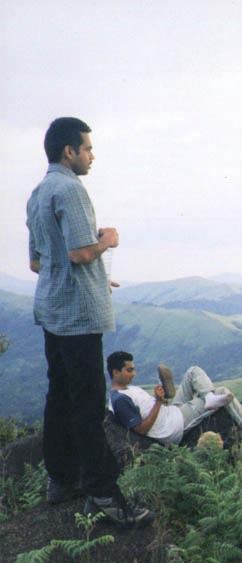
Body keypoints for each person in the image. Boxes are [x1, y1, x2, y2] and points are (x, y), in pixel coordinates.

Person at [26, 117, 153, 528]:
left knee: (59, 397)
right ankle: (103, 493)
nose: (92, 156)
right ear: (69, 151)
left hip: (53, 311)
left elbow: (38, 262)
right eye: (88, 148)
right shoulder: (71, 189)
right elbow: (82, 253)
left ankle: (60, 480)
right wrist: (107, 242)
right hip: (79, 318)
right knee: (87, 404)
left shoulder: (38, 192)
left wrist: (93, 271)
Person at [107, 351, 242, 444]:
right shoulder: (120, 400)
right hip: (174, 425)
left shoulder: (130, 389)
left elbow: (148, 411)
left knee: (192, 372)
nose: (134, 374)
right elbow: (141, 429)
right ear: (116, 372)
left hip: (171, 411)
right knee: (222, 391)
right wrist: (158, 403)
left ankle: (208, 396)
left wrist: (161, 400)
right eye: (129, 370)